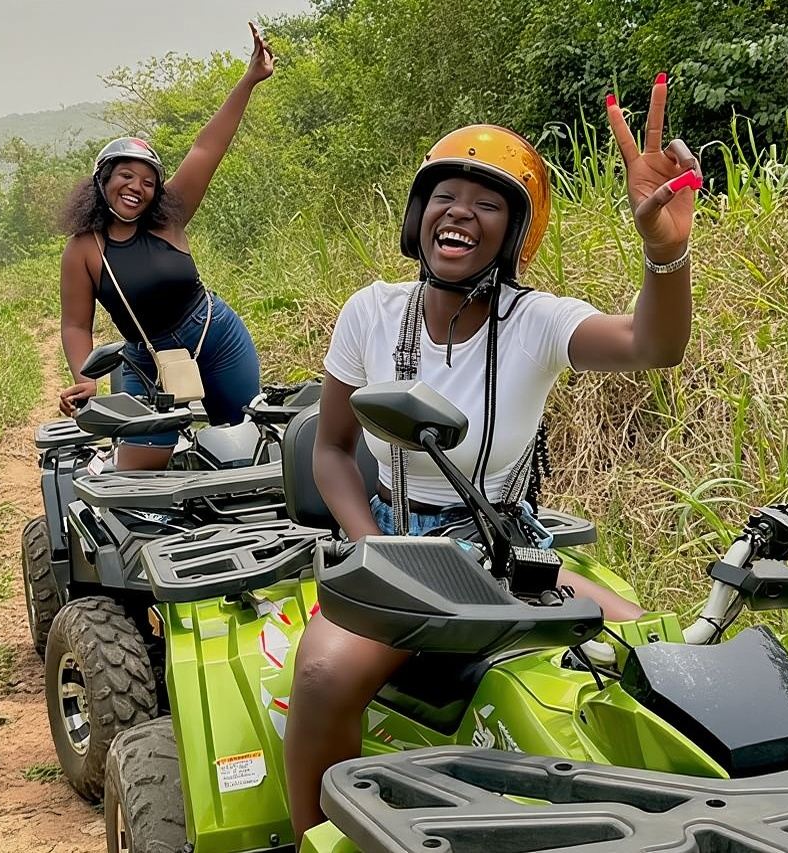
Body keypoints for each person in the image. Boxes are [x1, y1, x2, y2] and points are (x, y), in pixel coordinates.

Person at [283, 75, 701, 841]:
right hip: (392, 543)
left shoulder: (538, 319)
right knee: (323, 673)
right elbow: (335, 448)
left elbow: (654, 346)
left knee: (659, 653)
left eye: (488, 202)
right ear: (420, 214)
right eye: (446, 194)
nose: (460, 212)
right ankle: (314, 830)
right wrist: (370, 547)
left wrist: (664, 253)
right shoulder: (370, 311)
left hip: (504, 543)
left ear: (514, 231)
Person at [57, 23, 274, 470]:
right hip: (144, 360)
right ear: (102, 181)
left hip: (217, 337)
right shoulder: (83, 249)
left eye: (149, 181)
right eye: (125, 176)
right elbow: (76, 326)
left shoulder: (170, 215)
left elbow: (206, 148)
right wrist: (85, 379)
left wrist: (249, 78)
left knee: (245, 452)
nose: (137, 188)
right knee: (137, 473)